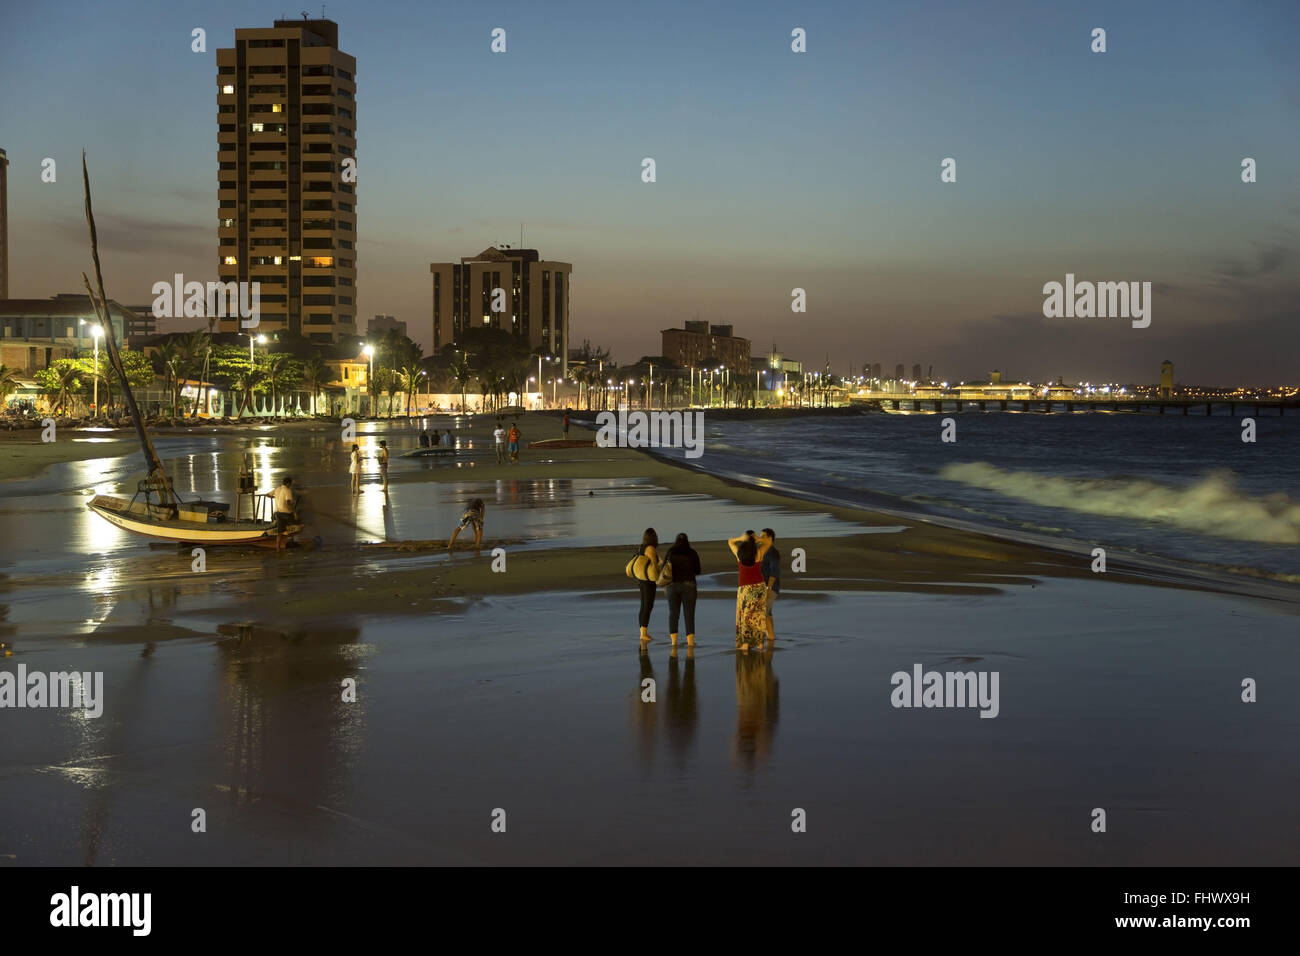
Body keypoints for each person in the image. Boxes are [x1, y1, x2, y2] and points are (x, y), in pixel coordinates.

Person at [728, 530, 771, 652]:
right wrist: (757, 538)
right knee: (758, 615)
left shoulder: (739, 553)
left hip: (745, 588)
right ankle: (760, 644)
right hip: (759, 587)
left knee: (745, 615)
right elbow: (768, 542)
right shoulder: (759, 552)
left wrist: (741, 538)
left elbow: (730, 541)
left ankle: (746, 644)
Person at [665, 532, 701, 648]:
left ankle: (674, 642)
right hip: (689, 585)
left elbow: (664, 569)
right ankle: (690, 642)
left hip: (672, 586)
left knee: (673, 614)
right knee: (689, 614)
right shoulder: (692, 553)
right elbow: (698, 570)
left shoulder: (670, 552)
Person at [633, 528, 660, 643]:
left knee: (644, 605)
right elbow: (655, 564)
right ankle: (643, 634)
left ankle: (643, 632)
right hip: (648, 581)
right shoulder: (650, 549)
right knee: (648, 606)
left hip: (641, 579)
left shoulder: (642, 547)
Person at [759, 527, 780, 644]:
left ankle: (770, 637)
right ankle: (769, 636)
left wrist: (768, 588)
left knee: (764, 613)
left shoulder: (773, 552)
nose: (760, 538)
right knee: (768, 612)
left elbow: (774, 572)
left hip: (771, 587)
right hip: (766, 586)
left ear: (769, 538)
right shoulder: (765, 551)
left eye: (762, 536)